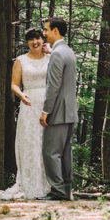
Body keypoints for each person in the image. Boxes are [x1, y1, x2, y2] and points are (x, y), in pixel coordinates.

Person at [0, 28, 52, 200]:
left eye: (38, 38)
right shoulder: (21, 60)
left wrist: (52, 51)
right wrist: (21, 94)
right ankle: (31, 185)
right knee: (31, 143)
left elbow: (65, 66)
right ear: (27, 42)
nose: (35, 42)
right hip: (29, 103)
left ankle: (49, 185)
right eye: (31, 39)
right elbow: (14, 84)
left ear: (42, 40)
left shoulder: (50, 58)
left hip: (47, 104)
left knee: (46, 144)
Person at [39, 17, 77, 201]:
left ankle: (57, 191)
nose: (43, 33)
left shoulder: (57, 54)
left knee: (51, 152)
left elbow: (53, 85)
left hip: (58, 111)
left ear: (55, 31)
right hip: (70, 110)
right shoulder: (68, 51)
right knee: (65, 153)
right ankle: (66, 190)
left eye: (46, 30)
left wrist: (46, 110)